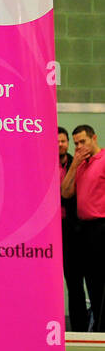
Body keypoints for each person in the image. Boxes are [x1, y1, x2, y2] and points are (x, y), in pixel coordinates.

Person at [62, 124, 105, 331]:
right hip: (85, 229)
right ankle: (96, 326)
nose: (79, 146)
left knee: (100, 279)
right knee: (91, 280)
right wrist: (74, 164)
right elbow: (66, 193)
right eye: (76, 143)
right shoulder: (80, 164)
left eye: (83, 142)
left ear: (94, 138)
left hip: (101, 226)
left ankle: (101, 327)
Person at [59, 127, 87, 331]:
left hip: (72, 231)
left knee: (75, 281)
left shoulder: (78, 164)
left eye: (63, 141)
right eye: (56, 141)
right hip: (49, 232)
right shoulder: (42, 165)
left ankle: (80, 328)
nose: (60, 144)